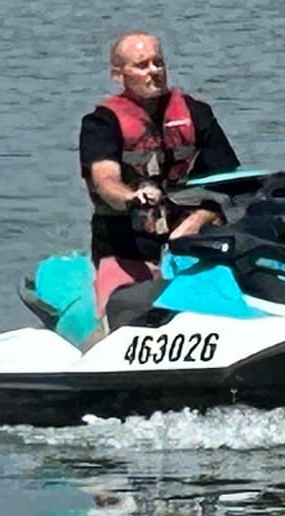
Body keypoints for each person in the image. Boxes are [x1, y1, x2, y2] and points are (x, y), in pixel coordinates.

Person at [78, 31, 240, 327]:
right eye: (142, 65)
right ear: (119, 75)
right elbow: (105, 181)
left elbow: (228, 181)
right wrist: (131, 197)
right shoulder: (101, 123)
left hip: (191, 242)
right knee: (127, 311)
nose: (154, 71)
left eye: (158, 62)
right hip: (125, 244)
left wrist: (197, 220)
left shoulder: (196, 113)